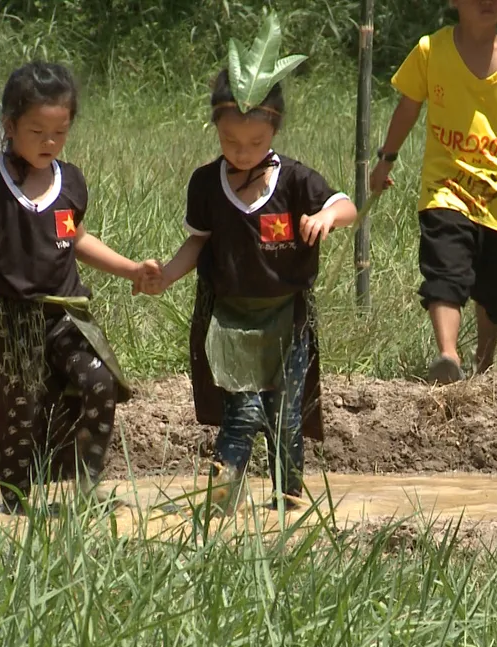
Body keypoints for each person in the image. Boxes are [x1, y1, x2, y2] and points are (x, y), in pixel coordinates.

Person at [135, 27, 357, 512]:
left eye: (255, 141)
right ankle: (221, 499)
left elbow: (347, 207)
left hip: (288, 316)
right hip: (230, 320)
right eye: (230, 140)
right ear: (216, 131)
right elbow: (198, 241)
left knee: (285, 412)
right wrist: (167, 275)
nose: (241, 151)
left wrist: (324, 217)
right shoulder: (206, 184)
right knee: (244, 409)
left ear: (273, 131)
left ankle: (290, 497)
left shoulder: (297, 180)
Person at [0, 61, 157, 514]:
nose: (48, 142)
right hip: (15, 318)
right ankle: (16, 500)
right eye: (36, 131)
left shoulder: (71, 181)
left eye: (58, 133)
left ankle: (83, 486)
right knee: (24, 404)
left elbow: (77, 239)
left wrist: (131, 269)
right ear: (9, 126)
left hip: (66, 316)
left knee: (99, 384)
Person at [369, 0, 497, 384]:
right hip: (445, 188)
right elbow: (408, 107)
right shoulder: (430, 50)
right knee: (444, 270)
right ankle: (448, 356)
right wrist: (386, 159)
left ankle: (483, 364)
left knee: (496, 290)